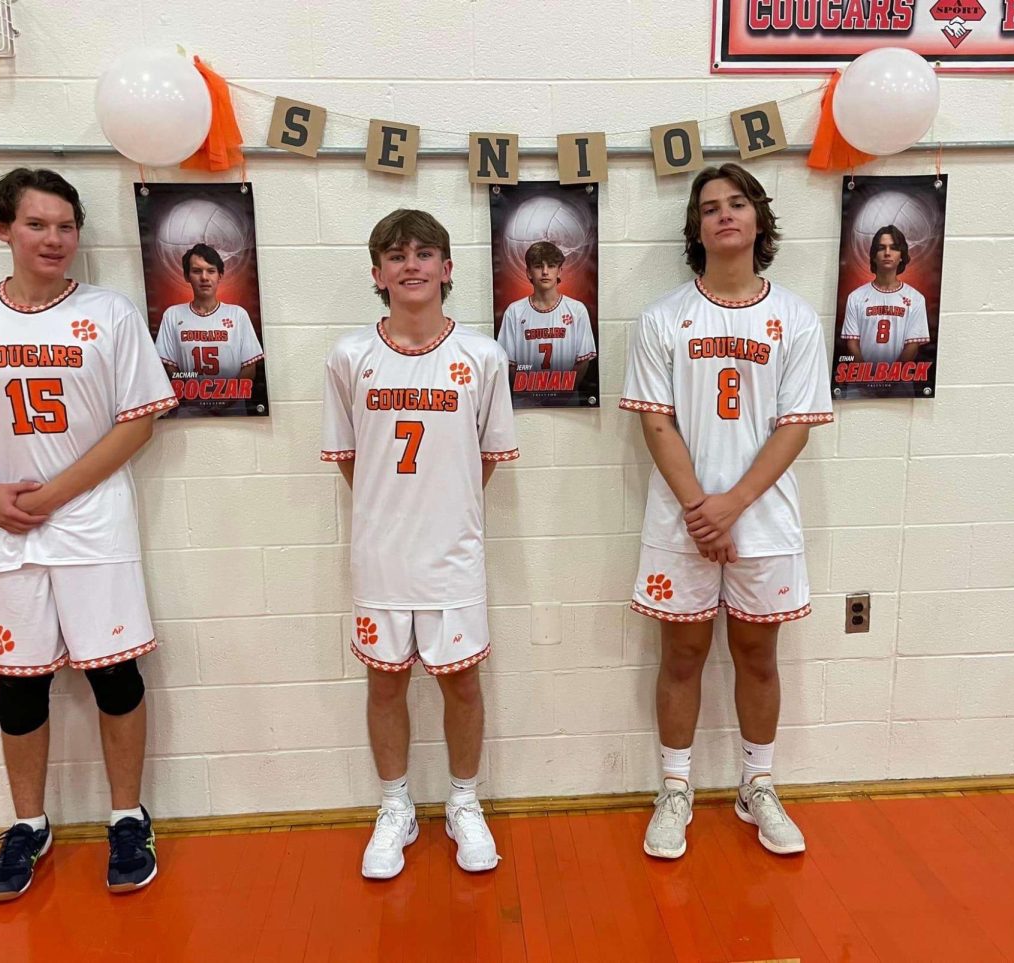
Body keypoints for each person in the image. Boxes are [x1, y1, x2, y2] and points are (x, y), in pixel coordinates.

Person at [0, 168, 176, 900]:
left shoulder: (109, 313)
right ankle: (28, 825)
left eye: (66, 226)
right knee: (21, 686)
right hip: (8, 526)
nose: (54, 239)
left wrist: (59, 491)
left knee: (114, 675)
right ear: (3, 228)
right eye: (38, 224)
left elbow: (139, 420)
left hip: (93, 522)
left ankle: (128, 817)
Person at [620, 163, 833, 860]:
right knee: (680, 653)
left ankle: (757, 785)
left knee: (758, 656)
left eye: (737, 203)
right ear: (697, 228)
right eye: (709, 207)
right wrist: (699, 509)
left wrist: (732, 505)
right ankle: (675, 788)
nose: (724, 215)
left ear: (759, 220)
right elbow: (657, 424)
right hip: (680, 521)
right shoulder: (662, 318)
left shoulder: (795, 318)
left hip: (762, 521)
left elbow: (794, 425)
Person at [321, 209, 518, 880]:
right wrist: (390, 509)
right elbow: (352, 457)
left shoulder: (483, 357)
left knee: (461, 683)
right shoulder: (350, 357)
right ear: (377, 272)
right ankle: (396, 805)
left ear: (447, 268)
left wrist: (444, 507)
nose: (411, 264)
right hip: (381, 557)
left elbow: (483, 460)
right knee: (385, 682)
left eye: (424, 252)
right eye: (396, 254)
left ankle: (464, 801)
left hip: (452, 556)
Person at [154, 242, 264, 416]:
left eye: (211, 271)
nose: (204, 277)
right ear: (186, 276)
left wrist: (223, 401)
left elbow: (249, 369)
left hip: (232, 411)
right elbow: (169, 367)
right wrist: (195, 397)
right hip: (189, 411)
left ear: (220, 275)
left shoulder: (237, 314)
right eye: (197, 271)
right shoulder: (173, 315)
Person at [496, 240, 597, 390]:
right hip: (525, 402)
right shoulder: (514, 311)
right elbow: (508, 363)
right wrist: (526, 392)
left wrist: (565, 392)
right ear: (528, 272)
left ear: (559, 271)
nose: (545, 272)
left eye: (551, 266)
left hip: (567, 404)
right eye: (538, 266)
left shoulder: (577, 310)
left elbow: (583, 361)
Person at [841, 224, 930, 366]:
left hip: (899, 384)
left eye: (893, 248)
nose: (887, 253)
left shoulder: (916, 299)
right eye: (881, 248)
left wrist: (889, 381)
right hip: (861, 384)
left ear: (902, 256)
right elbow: (852, 345)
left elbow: (912, 348)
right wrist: (867, 379)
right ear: (874, 256)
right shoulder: (856, 297)